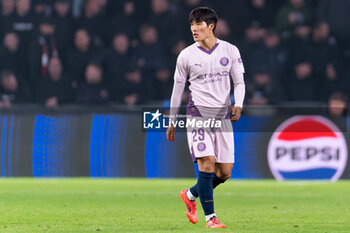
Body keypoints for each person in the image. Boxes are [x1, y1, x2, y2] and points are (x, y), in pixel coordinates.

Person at [166, 7, 245, 228]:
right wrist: (173, 120)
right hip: (197, 114)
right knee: (207, 163)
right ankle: (211, 218)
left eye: (198, 24)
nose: (194, 28)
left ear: (211, 26)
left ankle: (190, 195)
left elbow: (239, 82)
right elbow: (177, 89)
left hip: (222, 117)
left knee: (225, 172)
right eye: (191, 24)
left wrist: (238, 103)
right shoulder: (186, 55)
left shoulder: (230, 51)